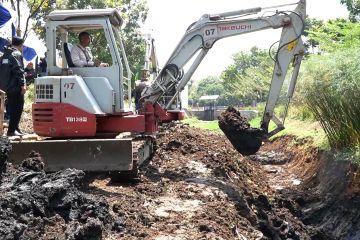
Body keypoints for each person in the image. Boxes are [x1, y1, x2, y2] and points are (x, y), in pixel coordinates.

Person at [0, 36, 27, 136]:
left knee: (12, 107)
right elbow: (18, 69)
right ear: (21, 45)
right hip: (15, 86)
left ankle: (15, 128)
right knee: (18, 108)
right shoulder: (16, 54)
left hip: (6, 87)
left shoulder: (5, 55)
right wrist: (22, 84)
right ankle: (12, 130)